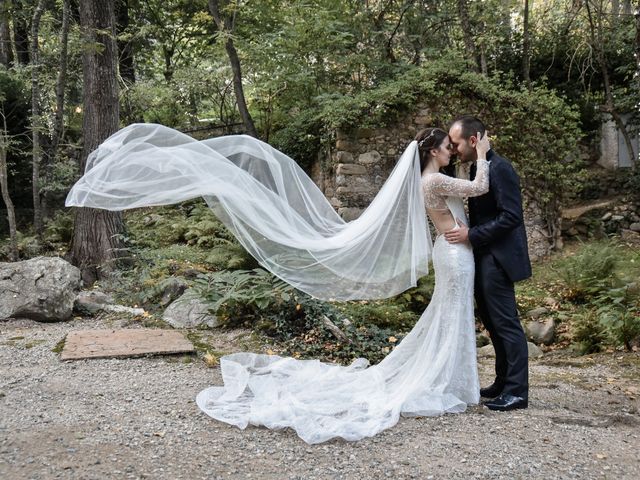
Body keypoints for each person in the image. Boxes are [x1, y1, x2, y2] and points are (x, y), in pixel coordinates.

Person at [65, 123, 491, 443]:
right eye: (448, 145)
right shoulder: (433, 178)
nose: (453, 150)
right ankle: (450, 383)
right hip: (455, 252)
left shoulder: (434, 177)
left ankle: (455, 381)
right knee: (449, 315)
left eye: (457, 144)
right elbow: (479, 186)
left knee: (448, 316)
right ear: (434, 150)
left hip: (454, 249)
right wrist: (483, 154)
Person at [445, 115, 532, 411]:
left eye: (455, 143)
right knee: (493, 324)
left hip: (498, 257)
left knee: (507, 324)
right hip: (483, 257)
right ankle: (502, 381)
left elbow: (511, 216)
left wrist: (472, 234)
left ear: (472, 140)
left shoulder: (501, 168)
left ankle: (518, 392)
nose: (453, 149)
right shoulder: (477, 168)